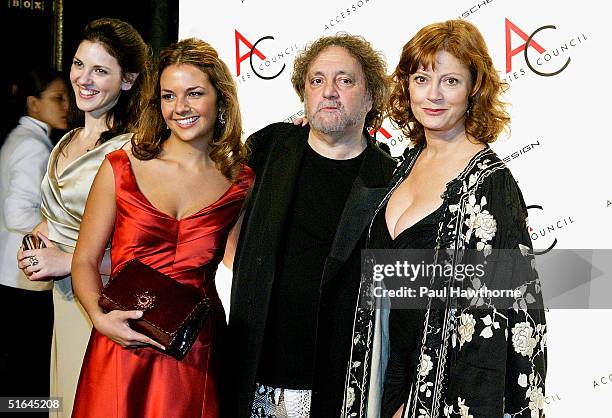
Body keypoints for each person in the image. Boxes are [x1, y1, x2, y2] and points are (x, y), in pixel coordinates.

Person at [342, 20, 547, 418]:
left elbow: (505, 322)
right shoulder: (402, 165)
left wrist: (422, 404)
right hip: (381, 384)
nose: (432, 95)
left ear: (475, 89)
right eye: (421, 78)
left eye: (450, 81)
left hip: (443, 397)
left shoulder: (491, 184)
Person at [70, 37, 252, 418]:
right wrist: (101, 320)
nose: (180, 108)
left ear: (220, 100)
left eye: (194, 93)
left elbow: (247, 266)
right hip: (120, 342)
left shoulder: (240, 183)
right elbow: (85, 260)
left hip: (194, 350)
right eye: (168, 96)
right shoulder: (120, 168)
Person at [227, 34, 397, 417]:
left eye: (345, 80)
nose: (329, 91)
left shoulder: (390, 180)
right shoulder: (270, 148)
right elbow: (216, 219)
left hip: (339, 386)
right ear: (304, 94)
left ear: (371, 98)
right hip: (254, 377)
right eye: (317, 81)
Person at [16, 18, 150, 417]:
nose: (83, 79)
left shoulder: (134, 152)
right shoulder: (65, 142)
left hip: (103, 306)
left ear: (127, 81)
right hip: (63, 303)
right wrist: (35, 241)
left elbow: (147, 250)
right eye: (79, 64)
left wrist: (65, 261)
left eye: (100, 70)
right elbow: (55, 216)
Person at [0, 68, 69, 405]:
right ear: (33, 104)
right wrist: (60, 233)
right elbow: (16, 213)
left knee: (18, 371)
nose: (67, 105)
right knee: (28, 374)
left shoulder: (19, 139)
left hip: (13, 277)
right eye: (57, 98)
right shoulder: (35, 148)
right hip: (25, 280)